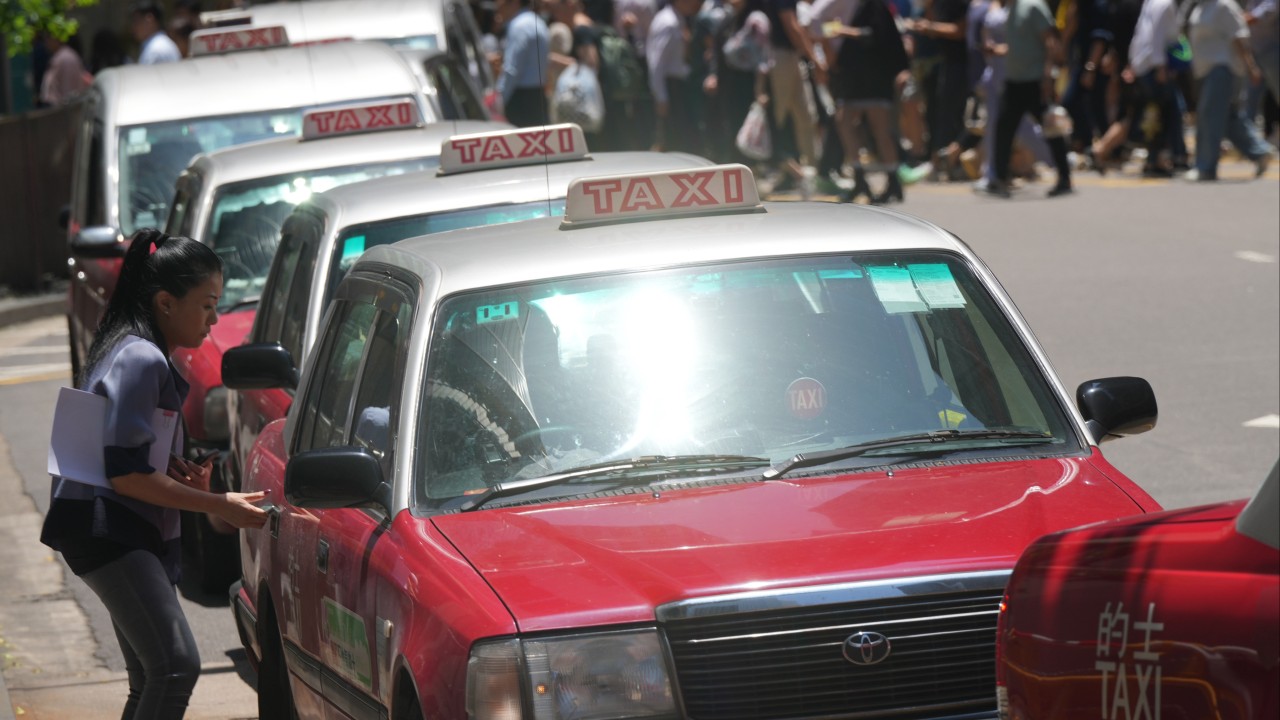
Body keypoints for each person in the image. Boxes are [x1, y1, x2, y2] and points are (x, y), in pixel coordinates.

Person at [40, 229, 268, 720]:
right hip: (111, 530)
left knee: (152, 674)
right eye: (207, 305)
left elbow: (124, 463)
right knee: (175, 666)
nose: (214, 319)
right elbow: (124, 477)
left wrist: (184, 485)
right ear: (166, 302)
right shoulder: (141, 357)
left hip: (108, 528)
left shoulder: (128, 345)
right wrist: (217, 503)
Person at [820, 0, 911, 203]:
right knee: (843, 122)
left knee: (881, 130)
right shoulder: (851, 8)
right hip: (852, 79)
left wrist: (844, 31)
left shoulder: (875, 7)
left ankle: (893, 180)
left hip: (874, 78)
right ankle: (860, 178)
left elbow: (876, 36)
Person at [988, 0, 1073, 197]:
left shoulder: (1033, 6)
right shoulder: (1011, 8)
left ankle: (1065, 177)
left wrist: (1048, 77)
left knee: (1052, 129)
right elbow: (1022, 44)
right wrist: (999, 50)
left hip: (1035, 82)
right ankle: (999, 179)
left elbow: (1050, 42)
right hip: (1014, 81)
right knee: (1003, 128)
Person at [1187, 0, 1272, 180]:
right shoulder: (1201, 6)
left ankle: (1206, 167)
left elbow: (1239, 38)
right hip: (1205, 70)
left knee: (1209, 115)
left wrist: (1251, 68)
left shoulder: (1224, 5)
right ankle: (1259, 151)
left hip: (1222, 69)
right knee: (1227, 117)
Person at [648, 0, 705, 152]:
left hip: (678, 84)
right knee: (672, 138)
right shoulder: (668, 23)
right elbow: (657, 64)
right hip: (670, 86)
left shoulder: (678, 19)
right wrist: (661, 97)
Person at [495, 0, 552, 126]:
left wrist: (499, 99)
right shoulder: (538, 22)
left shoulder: (518, 26)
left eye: (502, 3)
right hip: (538, 95)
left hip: (521, 99)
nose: (498, 7)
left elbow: (512, 68)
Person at [39, 33, 92, 106]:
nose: (46, 42)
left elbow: (68, 92)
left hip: (62, 110)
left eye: (48, 38)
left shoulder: (66, 58)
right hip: (56, 108)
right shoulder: (60, 56)